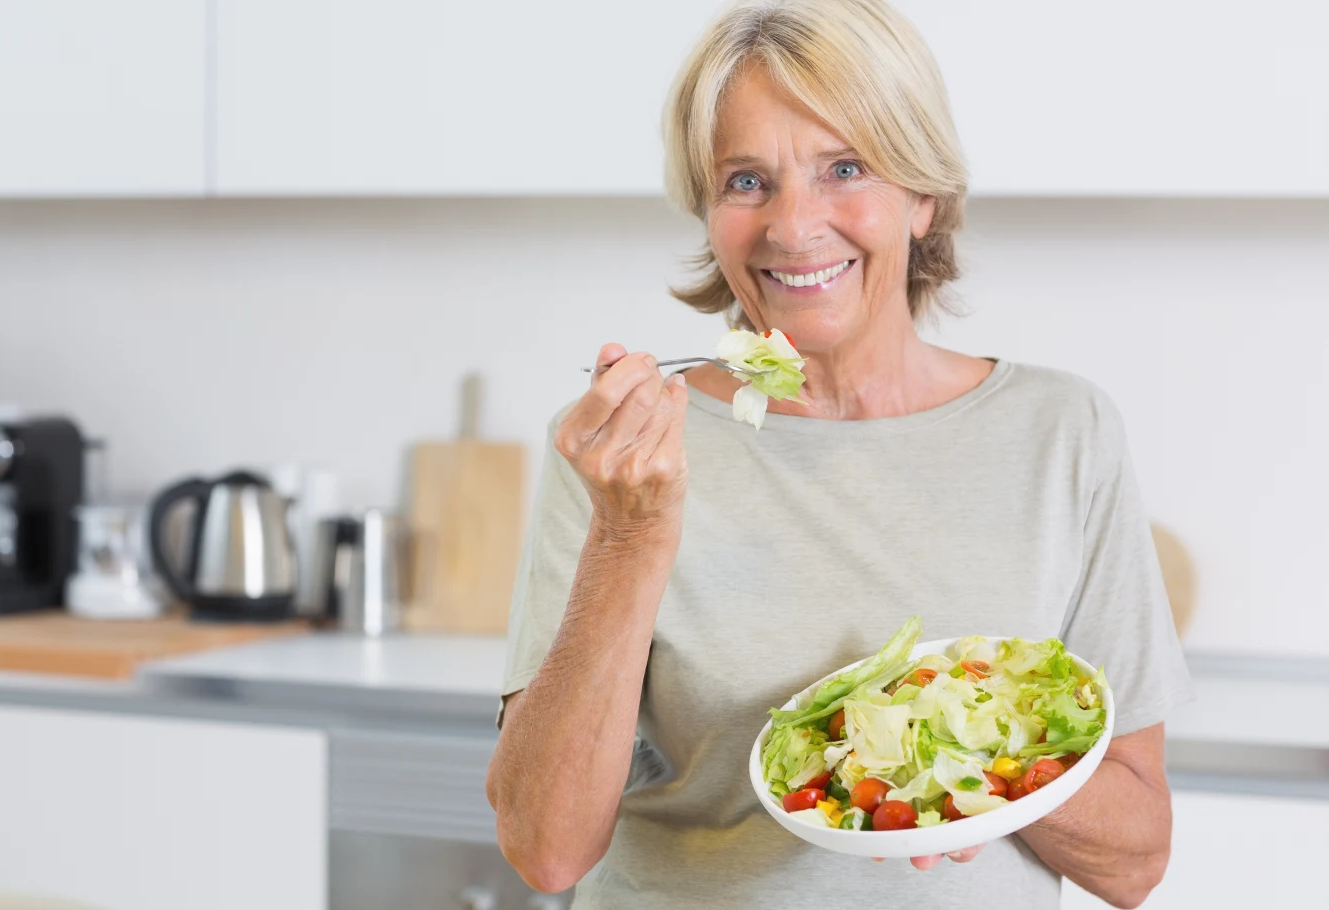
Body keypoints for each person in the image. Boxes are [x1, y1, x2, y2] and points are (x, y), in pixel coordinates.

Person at [486, 1, 1193, 907]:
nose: (794, 226)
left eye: (845, 168)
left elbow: (1135, 861)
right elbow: (544, 850)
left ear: (923, 195)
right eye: (746, 181)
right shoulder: (625, 455)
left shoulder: (1064, 432)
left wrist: (958, 761)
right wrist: (629, 539)